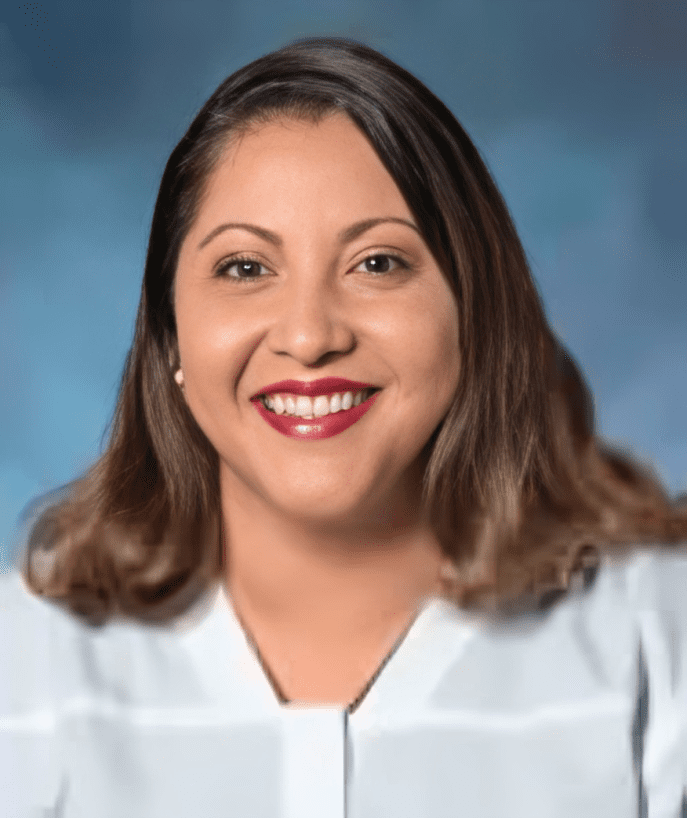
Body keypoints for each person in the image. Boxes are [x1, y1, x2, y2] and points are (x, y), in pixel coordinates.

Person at [1, 37, 686, 817]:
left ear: (473, 313)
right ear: (169, 341)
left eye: (377, 263)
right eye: (245, 268)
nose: (309, 334)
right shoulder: (21, 672)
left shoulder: (657, 642)